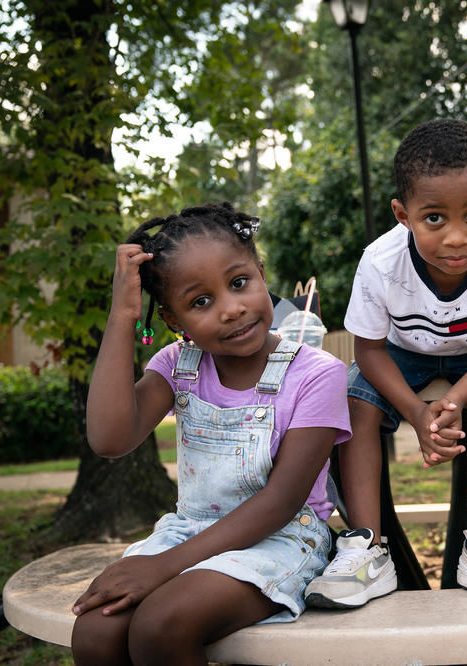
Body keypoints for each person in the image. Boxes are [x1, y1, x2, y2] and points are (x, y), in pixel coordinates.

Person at [71, 202, 351, 665]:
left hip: (281, 540)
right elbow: (109, 438)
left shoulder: (316, 373)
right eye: (201, 302)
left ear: (262, 274)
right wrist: (122, 315)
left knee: (162, 625)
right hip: (189, 534)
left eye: (239, 283)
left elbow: (281, 501)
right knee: (96, 633)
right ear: (174, 322)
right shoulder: (177, 366)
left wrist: (162, 567)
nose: (231, 309)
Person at [304, 118, 467, 608]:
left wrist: (459, 397)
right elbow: (369, 351)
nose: (457, 238)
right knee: (355, 399)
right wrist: (417, 414)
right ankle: (366, 548)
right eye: (434, 218)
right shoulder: (380, 263)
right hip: (401, 354)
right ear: (403, 214)